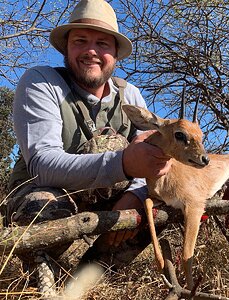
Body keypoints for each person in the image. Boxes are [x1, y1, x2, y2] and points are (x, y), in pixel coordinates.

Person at [3, 0, 171, 260]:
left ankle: (94, 274)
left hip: (112, 193)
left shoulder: (130, 94)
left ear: (115, 54)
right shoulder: (41, 82)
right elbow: (42, 164)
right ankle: (42, 274)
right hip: (47, 190)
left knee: (163, 201)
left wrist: (137, 194)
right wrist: (124, 163)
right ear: (66, 48)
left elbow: (153, 152)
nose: (91, 51)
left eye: (102, 44)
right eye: (80, 40)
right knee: (41, 208)